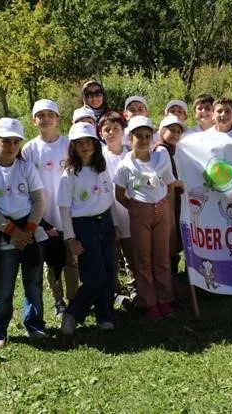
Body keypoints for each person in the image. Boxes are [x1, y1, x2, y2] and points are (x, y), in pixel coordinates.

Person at [0, 118, 48, 350]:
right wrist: (12, 231)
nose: (11, 146)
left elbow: (39, 200)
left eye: (16, 142)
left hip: (29, 228)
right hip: (5, 230)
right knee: (3, 284)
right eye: (5, 141)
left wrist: (27, 230)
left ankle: (35, 324)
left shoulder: (27, 167)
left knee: (33, 282)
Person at [114, 116, 182, 319]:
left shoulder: (161, 159)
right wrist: (136, 208)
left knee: (161, 257)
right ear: (130, 138)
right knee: (143, 259)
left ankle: (165, 299)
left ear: (152, 138)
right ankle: (149, 301)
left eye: (146, 136)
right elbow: (119, 194)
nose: (143, 140)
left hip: (161, 211)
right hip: (139, 213)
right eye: (138, 136)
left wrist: (163, 207)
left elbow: (169, 184)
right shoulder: (125, 165)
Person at [21, 99, 78, 318]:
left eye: (50, 115)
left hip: (67, 211)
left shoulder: (68, 145)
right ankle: (58, 300)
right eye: (41, 115)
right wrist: (39, 219)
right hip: (43, 216)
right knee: (50, 261)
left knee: (71, 258)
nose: (46, 119)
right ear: (34, 120)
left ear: (57, 119)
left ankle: (74, 300)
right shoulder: (29, 150)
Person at [58, 123, 116, 335]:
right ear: (73, 146)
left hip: (105, 222)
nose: (85, 146)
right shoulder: (70, 174)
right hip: (84, 226)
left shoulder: (101, 168)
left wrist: (114, 224)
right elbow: (64, 208)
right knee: (95, 276)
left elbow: (109, 197)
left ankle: (105, 315)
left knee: (109, 272)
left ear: (95, 145)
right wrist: (71, 238)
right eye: (80, 143)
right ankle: (73, 312)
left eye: (89, 142)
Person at [99, 112, 135, 302]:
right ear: (101, 133)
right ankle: (114, 292)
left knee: (132, 255)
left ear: (123, 131)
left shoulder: (131, 153)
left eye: (116, 129)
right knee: (111, 257)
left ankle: (135, 288)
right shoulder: (99, 158)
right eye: (107, 130)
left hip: (130, 212)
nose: (111, 133)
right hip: (108, 212)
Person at [154, 115, 188, 285]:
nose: (175, 134)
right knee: (168, 241)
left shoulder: (171, 150)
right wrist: (177, 183)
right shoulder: (162, 150)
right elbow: (159, 174)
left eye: (178, 131)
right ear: (161, 131)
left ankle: (171, 281)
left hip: (170, 200)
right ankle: (168, 283)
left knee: (171, 241)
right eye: (171, 130)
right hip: (165, 201)